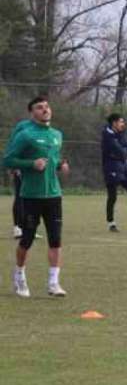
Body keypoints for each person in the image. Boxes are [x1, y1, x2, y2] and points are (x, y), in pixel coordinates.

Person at [3, 96, 69, 297]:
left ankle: (53, 283)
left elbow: (54, 158)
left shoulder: (57, 134)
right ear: (32, 112)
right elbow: (7, 160)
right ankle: (19, 276)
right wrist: (31, 164)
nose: (45, 110)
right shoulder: (25, 135)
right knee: (27, 239)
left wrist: (60, 165)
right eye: (40, 108)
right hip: (31, 196)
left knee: (55, 240)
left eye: (47, 106)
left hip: (54, 195)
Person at [8, 108, 35, 238]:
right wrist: (14, 166)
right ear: (32, 112)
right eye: (39, 108)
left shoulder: (43, 128)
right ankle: (17, 227)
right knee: (20, 196)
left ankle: (28, 228)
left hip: (34, 170)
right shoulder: (22, 126)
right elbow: (12, 145)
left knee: (32, 199)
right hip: (21, 167)